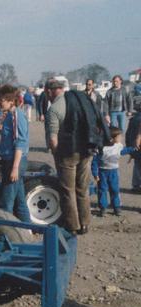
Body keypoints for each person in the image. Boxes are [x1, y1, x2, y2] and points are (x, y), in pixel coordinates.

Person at [46, 79, 108, 234]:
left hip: (67, 154)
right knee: (82, 188)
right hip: (86, 151)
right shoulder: (80, 100)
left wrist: (57, 154)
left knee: (68, 190)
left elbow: (53, 139)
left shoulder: (54, 109)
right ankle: (85, 223)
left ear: (49, 91)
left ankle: (73, 226)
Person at [0, 84, 31, 222]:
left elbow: (20, 142)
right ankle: (29, 228)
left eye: (1, 100)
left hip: (14, 162)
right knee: (19, 200)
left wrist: (15, 168)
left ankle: (5, 235)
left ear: (11, 101)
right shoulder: (10, 115)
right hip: (10, 161)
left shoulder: (17, 115)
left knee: (6, 201)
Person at [92, 127, 139, 216]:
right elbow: (95, 161)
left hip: (113, 172)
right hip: (102, 172)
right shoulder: (101, 148)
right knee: (102, 190)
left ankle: (116, 207)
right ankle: (103, 208)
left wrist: (133, 148)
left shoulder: (118, 146)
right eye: (119, 136)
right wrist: (95, 173)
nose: (121, 138)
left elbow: (123, 151)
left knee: (115, 189)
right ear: (111, 138)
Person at [126, 101, 141, 192]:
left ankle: (136, 185)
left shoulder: (133, 119)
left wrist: (129, 147)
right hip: (138, 144)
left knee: (137, 165)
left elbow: (128, 134)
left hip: (134, 146)